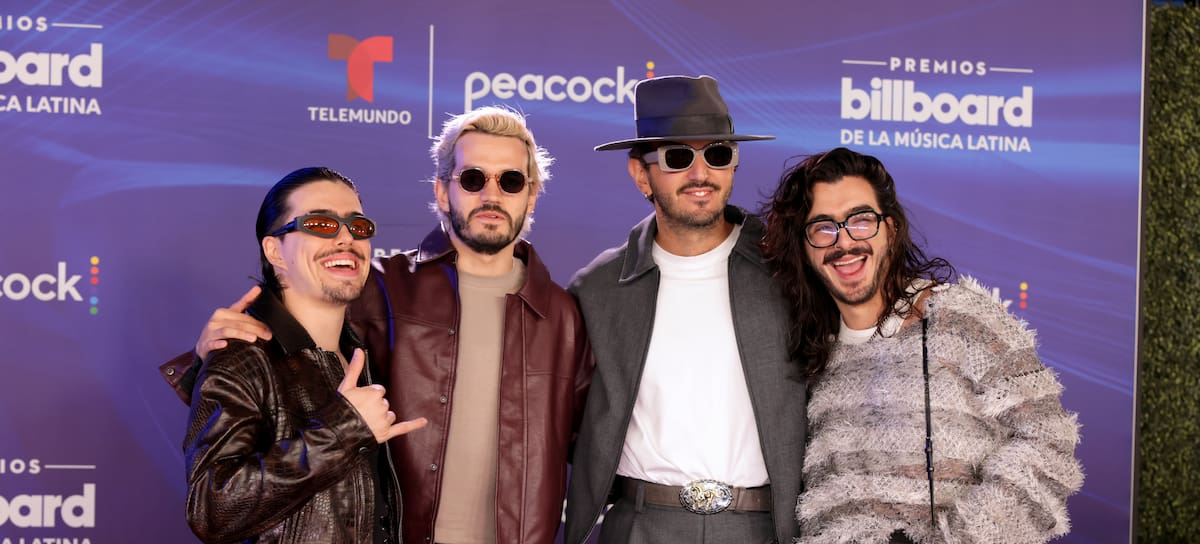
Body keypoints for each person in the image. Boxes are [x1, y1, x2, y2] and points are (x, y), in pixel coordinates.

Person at [163, 107, 593, 544]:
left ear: (531, 195)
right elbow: (288, 345)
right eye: (472, 178)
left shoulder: (563, 315)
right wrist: (208, 356)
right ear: (443, 191)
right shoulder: (375, 287)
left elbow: (592, 442)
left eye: (512, 181)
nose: (491, 194)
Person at [761, 147, 1084, 543]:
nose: (844, 241)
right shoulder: (804, 352)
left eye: (861, 220)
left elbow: (1049, 442)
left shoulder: (960, 318)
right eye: (823, 227)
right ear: (804, 247)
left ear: (891, 229)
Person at [564, 75, 806, 544]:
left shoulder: (791, 272)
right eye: (678, 157)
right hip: (641, 525)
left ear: (734, 164)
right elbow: (567, 425)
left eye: (718, 154)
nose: (701, 174)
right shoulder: (598, 290)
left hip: (763, 529)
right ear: (641, 175)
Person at [183, 167, 427, 543]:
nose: (346, 238)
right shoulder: (243, 357)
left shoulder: (363, 356)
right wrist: (344, 429)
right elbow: (211, 508)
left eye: (358, 226)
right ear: (275, 251)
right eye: (321, 224)